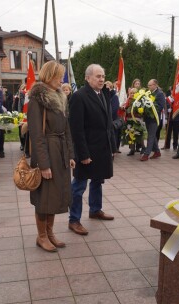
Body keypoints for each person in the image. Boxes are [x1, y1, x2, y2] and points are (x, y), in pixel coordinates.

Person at [27, 61, 75, 252]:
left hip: (61, 152)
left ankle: (50, 233)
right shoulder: (37, 100)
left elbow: (67, 129)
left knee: (55, 196)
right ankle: (42, 236)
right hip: (47, 152)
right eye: (58, 76)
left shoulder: (60, 97)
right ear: (49, 76)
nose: (61, 80)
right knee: (44, 197)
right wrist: (44, 165)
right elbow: (36, 135)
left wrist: (70, 154)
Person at [69, 64, 117, 235]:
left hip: (102, 149)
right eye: (98, 76)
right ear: (87, 78)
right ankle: (74, 220)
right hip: (87, 151)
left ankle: (95, 210)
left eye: (103, 76)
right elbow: (77, 129)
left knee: (98, 181)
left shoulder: (103, 94)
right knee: (79, 186)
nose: (102, 79)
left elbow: (108, 124)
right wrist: (83, 154)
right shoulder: (79, 97)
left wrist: (112, 147)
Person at [140, 79, 165, 161]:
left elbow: (160, 106)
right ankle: (157, 152)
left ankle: (146, 154)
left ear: (155, 85)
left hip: (154, 118)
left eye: (150, 85)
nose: (148, 87)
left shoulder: (160, 94)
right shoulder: (148, 93)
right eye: (148, 85)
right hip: (147, 118)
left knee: (150, 136)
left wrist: (150, 108)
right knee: (152, 135)